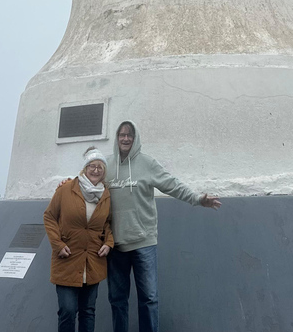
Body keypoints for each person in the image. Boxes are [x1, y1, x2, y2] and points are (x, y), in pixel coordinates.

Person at [106, 120, 221, 332]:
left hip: (144, 243)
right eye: (122, 134)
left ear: (135, 138)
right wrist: (66, 186)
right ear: (117, 137)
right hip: (115, 245)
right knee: (117, 300)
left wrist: (197, 199)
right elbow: (88, 183)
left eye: (130, 135)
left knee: (149, 299)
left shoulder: (148, 163)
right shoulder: (107, 166)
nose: (125, 138)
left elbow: (172, 184)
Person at [44, 147, 114, 332]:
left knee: (88, 311)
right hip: (67, 259)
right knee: (67, 310)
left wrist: (109, 243)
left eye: (100, 167)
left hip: (93, 261)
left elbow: (107, 223)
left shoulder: (106, 195)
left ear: (104, 171)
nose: (96, 170)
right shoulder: (66, 188)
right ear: (85, 168)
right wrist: (57, 244)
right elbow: (49, 216)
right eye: (92, 166)